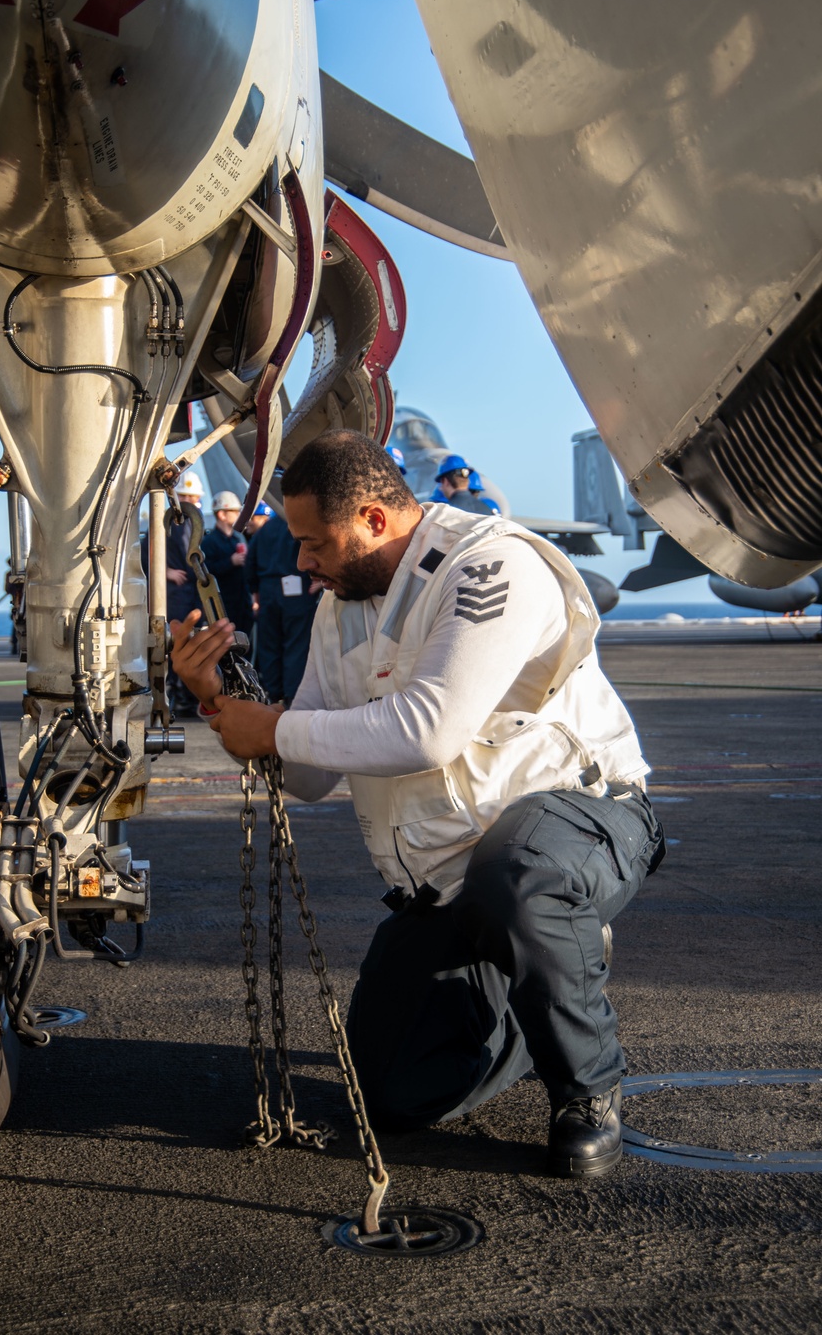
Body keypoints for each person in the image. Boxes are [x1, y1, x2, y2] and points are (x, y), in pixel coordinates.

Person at [170, 431, 663, 1178]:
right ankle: (539, 994)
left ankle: (587, 1090)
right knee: (393, 1096)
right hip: (454, 882)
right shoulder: (346, 607)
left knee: (523, 877)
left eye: (313, 543)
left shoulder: (490, 565)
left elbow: (430, 729)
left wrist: (271, 727)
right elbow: (304, 775)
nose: (301, 562)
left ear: (372, 519)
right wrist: (222, 701)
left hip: (581, 821)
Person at [242, 506, 321, 705]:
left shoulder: (265, 530)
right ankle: (292, 694)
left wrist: (256, 592)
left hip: (268, 591)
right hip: (297, 590)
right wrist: (319, 579)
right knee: (296, 644)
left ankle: (273, 692)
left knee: (270, 645)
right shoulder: (299, 525)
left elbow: (250, 562)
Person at [165, 471, 206, 716]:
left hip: (191, 593)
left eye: (193, 497)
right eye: (186, 496)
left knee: (194, 640)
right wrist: (167, 571)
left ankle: (189, 695)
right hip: (174, 594)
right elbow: (147, 555)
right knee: (174, 641)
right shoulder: (166, 524)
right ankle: (176, 693)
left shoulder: (194, 525)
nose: (190, 500)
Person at [201, 490, 253, 638]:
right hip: (224, 605)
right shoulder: (209, 542)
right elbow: (206, 572)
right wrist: (230, 562)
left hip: (242, 603)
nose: (238, 515)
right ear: (222, 515)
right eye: (234, 511)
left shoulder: (238, 539)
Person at [435, 454, 500, 515]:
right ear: (467, 480)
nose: (440, 488)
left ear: (445, 481)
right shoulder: (487, 510)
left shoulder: (445, 513)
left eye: (441, 482)